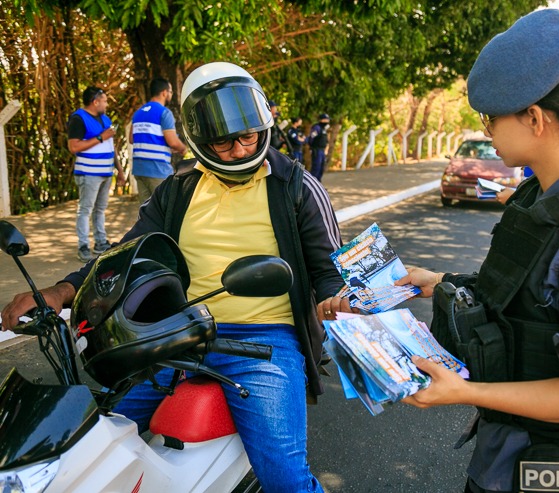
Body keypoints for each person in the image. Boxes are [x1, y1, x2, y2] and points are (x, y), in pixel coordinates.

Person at [2, 62, 351, 493]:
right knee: (95, 438)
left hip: (264, 343)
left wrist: (334, 300)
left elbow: (329, 271)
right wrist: (61, 290)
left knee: (285, 478)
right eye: (224, 143)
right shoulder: (179, 188)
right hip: (179, 331)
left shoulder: (295, 185)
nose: (241, 150)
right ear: (199, 141)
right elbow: (126, 253)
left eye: (248, 136)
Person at [396, 9, 559, 493]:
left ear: (535, 119)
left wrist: (463, 392)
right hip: (506, 461)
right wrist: (437, 281)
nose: (488, 130)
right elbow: (525, 301)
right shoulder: (542, 200)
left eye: (490, 118)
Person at [67, 86, 126, 262]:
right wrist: (101, 137)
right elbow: (74, 147)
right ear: (95, 102)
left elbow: (111, 146)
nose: (107, 104)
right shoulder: (78, 118)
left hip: (106, 172)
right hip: (88, 172)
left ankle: (101, 242)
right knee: (85, 209)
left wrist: (120, 170)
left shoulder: (105, 119)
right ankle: (83, 246)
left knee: (100, 209)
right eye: (105, 101)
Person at [129, 78, 188, 204]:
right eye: (170, 91)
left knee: (146, 211)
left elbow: (131, 139)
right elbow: (172, 141)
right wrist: (183, 148)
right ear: (164, 92)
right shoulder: (164, 113)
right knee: (165, 209)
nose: (171, 95)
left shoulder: (138, 113)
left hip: (139, 170)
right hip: (157, 169)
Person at [307, 113, 331, 181]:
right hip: (317, 150)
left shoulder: (323, 129)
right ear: (322, 120)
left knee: (321, 168)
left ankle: (318, 185)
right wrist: (312, 148)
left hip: (322, 150)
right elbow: (311, 138)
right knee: (316, 168)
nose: (328, 121)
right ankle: (311, 186)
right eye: (327, 120)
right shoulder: (317, 127)